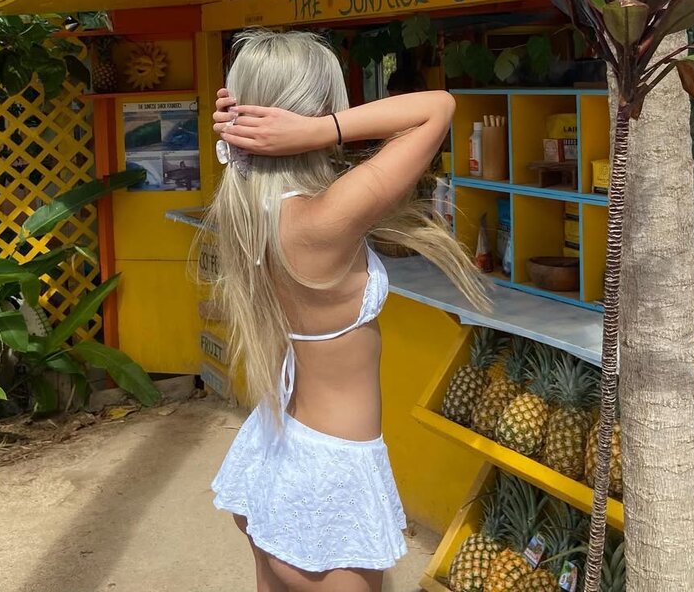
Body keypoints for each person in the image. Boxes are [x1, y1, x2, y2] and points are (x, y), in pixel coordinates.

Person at [207, 30, 488, 592]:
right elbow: (437, 108)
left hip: (278, 445)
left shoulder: (250, 207)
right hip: (332, 476)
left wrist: (244, 129)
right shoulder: (323, 220)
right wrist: (322, 129)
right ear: (311, 111)